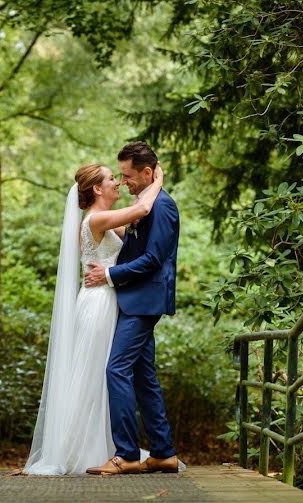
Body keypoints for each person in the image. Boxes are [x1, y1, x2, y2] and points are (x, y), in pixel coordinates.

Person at [23, 159, 164, 475]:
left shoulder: (103, 220)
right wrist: (157, 181)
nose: (117, 182)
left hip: (106, 298)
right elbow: (140, 212)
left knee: (103, 371)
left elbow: (133, 238)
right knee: (99, 371)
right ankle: (83, 447)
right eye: (112, 179)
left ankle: (108, 445)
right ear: (97, 188)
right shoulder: (96, 220)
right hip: (100, 302)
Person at [84, 141, 181, 475]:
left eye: (127, 176)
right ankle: (163, 453)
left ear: (148, 172)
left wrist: (110, 273)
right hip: (132, 298)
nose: (124, 182)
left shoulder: (162, 206)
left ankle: (125, 454)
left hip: (143, 301)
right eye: (120, 177)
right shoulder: (144, 204)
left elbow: (154, 260)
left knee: (116, 370)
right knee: (143, 376)